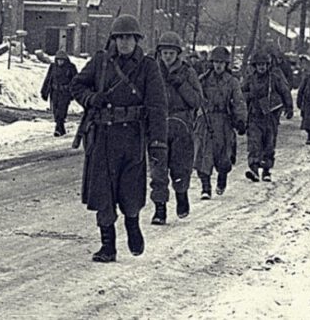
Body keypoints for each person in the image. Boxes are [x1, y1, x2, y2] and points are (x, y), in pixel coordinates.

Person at [70, 14, 168, 263]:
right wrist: (91, 99)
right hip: (102, 136)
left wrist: (157, 142)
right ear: (114, 39)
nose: (124, 43)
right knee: (102, 193)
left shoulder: (148, 66)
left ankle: (133, 226)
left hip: (132, 137)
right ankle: (108, 245)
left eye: (129, 38)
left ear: (137, 40)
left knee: (131, 192)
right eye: (120, 38)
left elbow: (157, 106)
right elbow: (77, 85)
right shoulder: (101, 62)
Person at [151, 31, 202, 224]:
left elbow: (198, 100)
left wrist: (181, 85)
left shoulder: (188, 73)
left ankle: (181, 195)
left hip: (181, 126)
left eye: (171, 53)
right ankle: (160, 209)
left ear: (178, 54)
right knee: (158, 169)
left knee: (180, 167)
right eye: (164, 52)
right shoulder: (153, 72)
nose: (167, 56)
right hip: (158, 125)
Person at [195, 46, 247, 199]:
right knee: (203, 154)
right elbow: (194, 98)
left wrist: (241, 120)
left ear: (226, 64)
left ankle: (222, 178)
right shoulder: (203, 80)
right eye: (216, 62)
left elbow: (238, 101)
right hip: (206, 120)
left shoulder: (232, 82)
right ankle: (205, 187)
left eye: (221, 63)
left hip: (224, 122)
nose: (218, 65)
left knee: (224, 155)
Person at [240, 50, 293, 183]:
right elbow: (240, 94)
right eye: (259, 65)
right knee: (254, 143)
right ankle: (254, 169)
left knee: (268, 143)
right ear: (255, 66)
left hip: (270, 116)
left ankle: (266, 170)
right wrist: (249, 98)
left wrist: (289, 107)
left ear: (268, 65)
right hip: (254, 116)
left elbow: (284, 91)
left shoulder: (274, 78)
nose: (261, 67)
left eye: (264, 64)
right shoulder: (250, 79)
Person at [40, 49, 79, 137]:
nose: (60, 62)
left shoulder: (70, 67)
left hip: (65, 93)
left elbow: (76, 80)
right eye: (58, 60)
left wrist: (73, 92)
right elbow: (48, 79)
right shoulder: (53, 67)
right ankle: (61, 128)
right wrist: (44, 91)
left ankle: (58, 129)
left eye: (62, 60)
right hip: (54, 92)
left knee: (61, 111)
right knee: (55, 111)